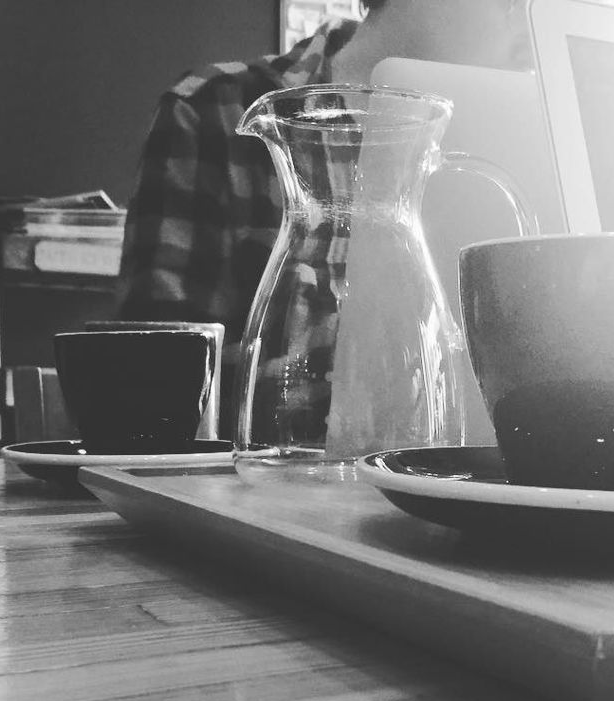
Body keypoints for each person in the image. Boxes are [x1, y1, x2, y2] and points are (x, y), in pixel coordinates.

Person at [116, 0, 531, 434]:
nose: (529, 38)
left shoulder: (528, 146)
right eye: (514, 5)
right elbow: (154, 398)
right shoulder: (215, 110)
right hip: (273, 472)